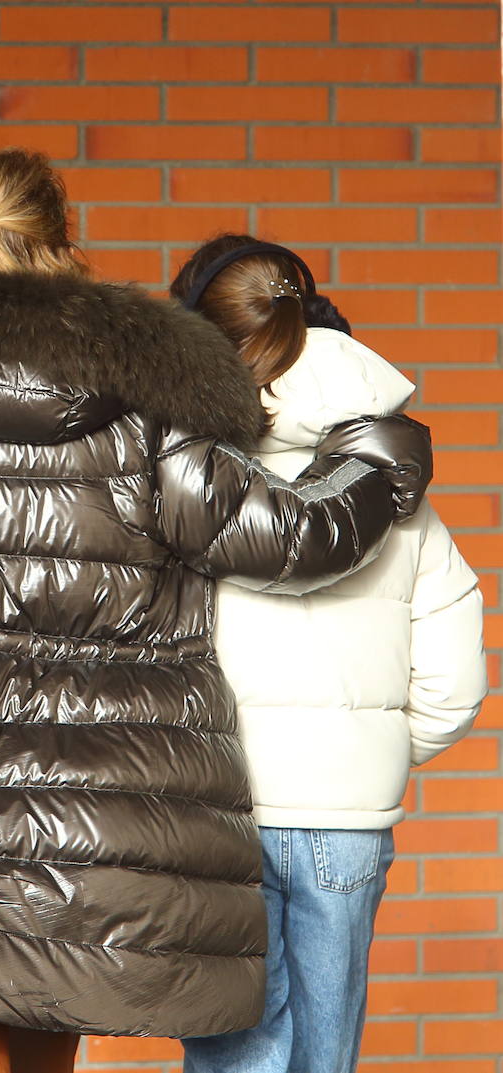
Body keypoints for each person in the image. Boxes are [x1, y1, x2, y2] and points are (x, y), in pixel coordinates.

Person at [0, 149, 434, 1073]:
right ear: (61, 241)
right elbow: (286, 538)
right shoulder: (146, 404)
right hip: (87, 835)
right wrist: (375, 460)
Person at [171, 235, 487, 1073]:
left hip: (219, 809)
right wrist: (373, 748)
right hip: (345, 821)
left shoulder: (190, 488)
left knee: (236, 1057)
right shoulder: (400, 492)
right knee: (325, 1058)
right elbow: (457, 674)